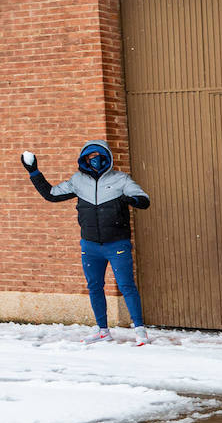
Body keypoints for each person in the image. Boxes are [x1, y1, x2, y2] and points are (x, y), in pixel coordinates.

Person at [22, 141, 152, 345]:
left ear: (107, 158)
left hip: (117, 244)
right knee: (94, 286)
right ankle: (103, 331)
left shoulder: (120, 179)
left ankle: (140, 330)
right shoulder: (78, 181)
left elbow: (143, 199)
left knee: (127, 285)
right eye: (91, 157)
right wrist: (33, 172)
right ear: (84, 160)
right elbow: (51, 195)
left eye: (99, 156)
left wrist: (132, 200)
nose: (96, 160)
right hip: (90, 246)